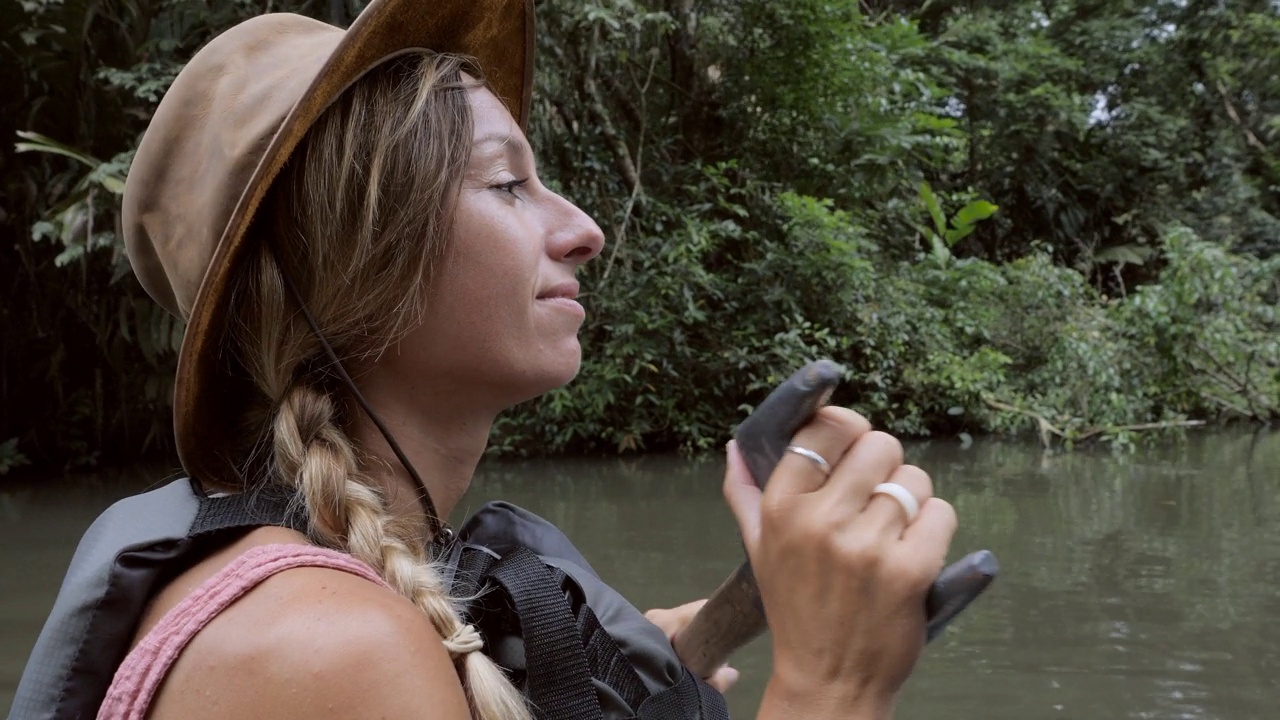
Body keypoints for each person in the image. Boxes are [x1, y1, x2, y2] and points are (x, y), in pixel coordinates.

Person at [12, 0, 958, 718]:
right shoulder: (326, 650)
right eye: (508, 183)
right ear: (356, 263)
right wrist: (829, 683)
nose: (584, 230)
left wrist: (675, 640)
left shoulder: (364, 589)